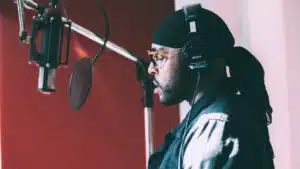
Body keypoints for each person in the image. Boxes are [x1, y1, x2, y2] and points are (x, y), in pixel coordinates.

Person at [146, 3, 275, 169]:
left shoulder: (216, 124)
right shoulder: (210, 121)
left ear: (195, 56)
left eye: (160, 56)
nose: (151, 69)